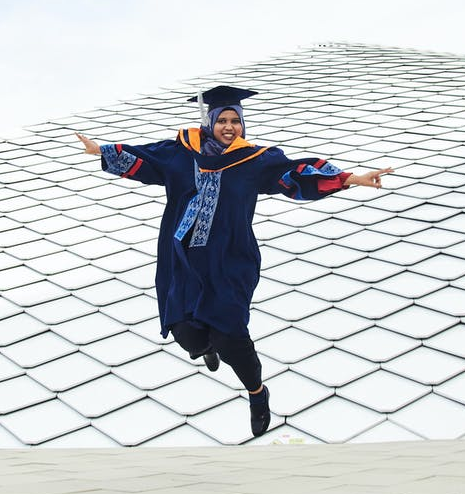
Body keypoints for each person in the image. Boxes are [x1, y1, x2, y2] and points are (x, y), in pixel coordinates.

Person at [75, 86, 393, 438]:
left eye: (235, 121)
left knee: (229, 338)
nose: (229, 127)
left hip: (229, 258)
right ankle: (204, 347)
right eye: (222, 120)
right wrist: (102, 150)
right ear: (209, 122)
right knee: (186, 333)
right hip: (182, 257)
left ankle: (257, 394)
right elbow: (144, 159)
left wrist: (350, 179)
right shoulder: (181, 153)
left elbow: (295, 173)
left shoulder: (255, 160)